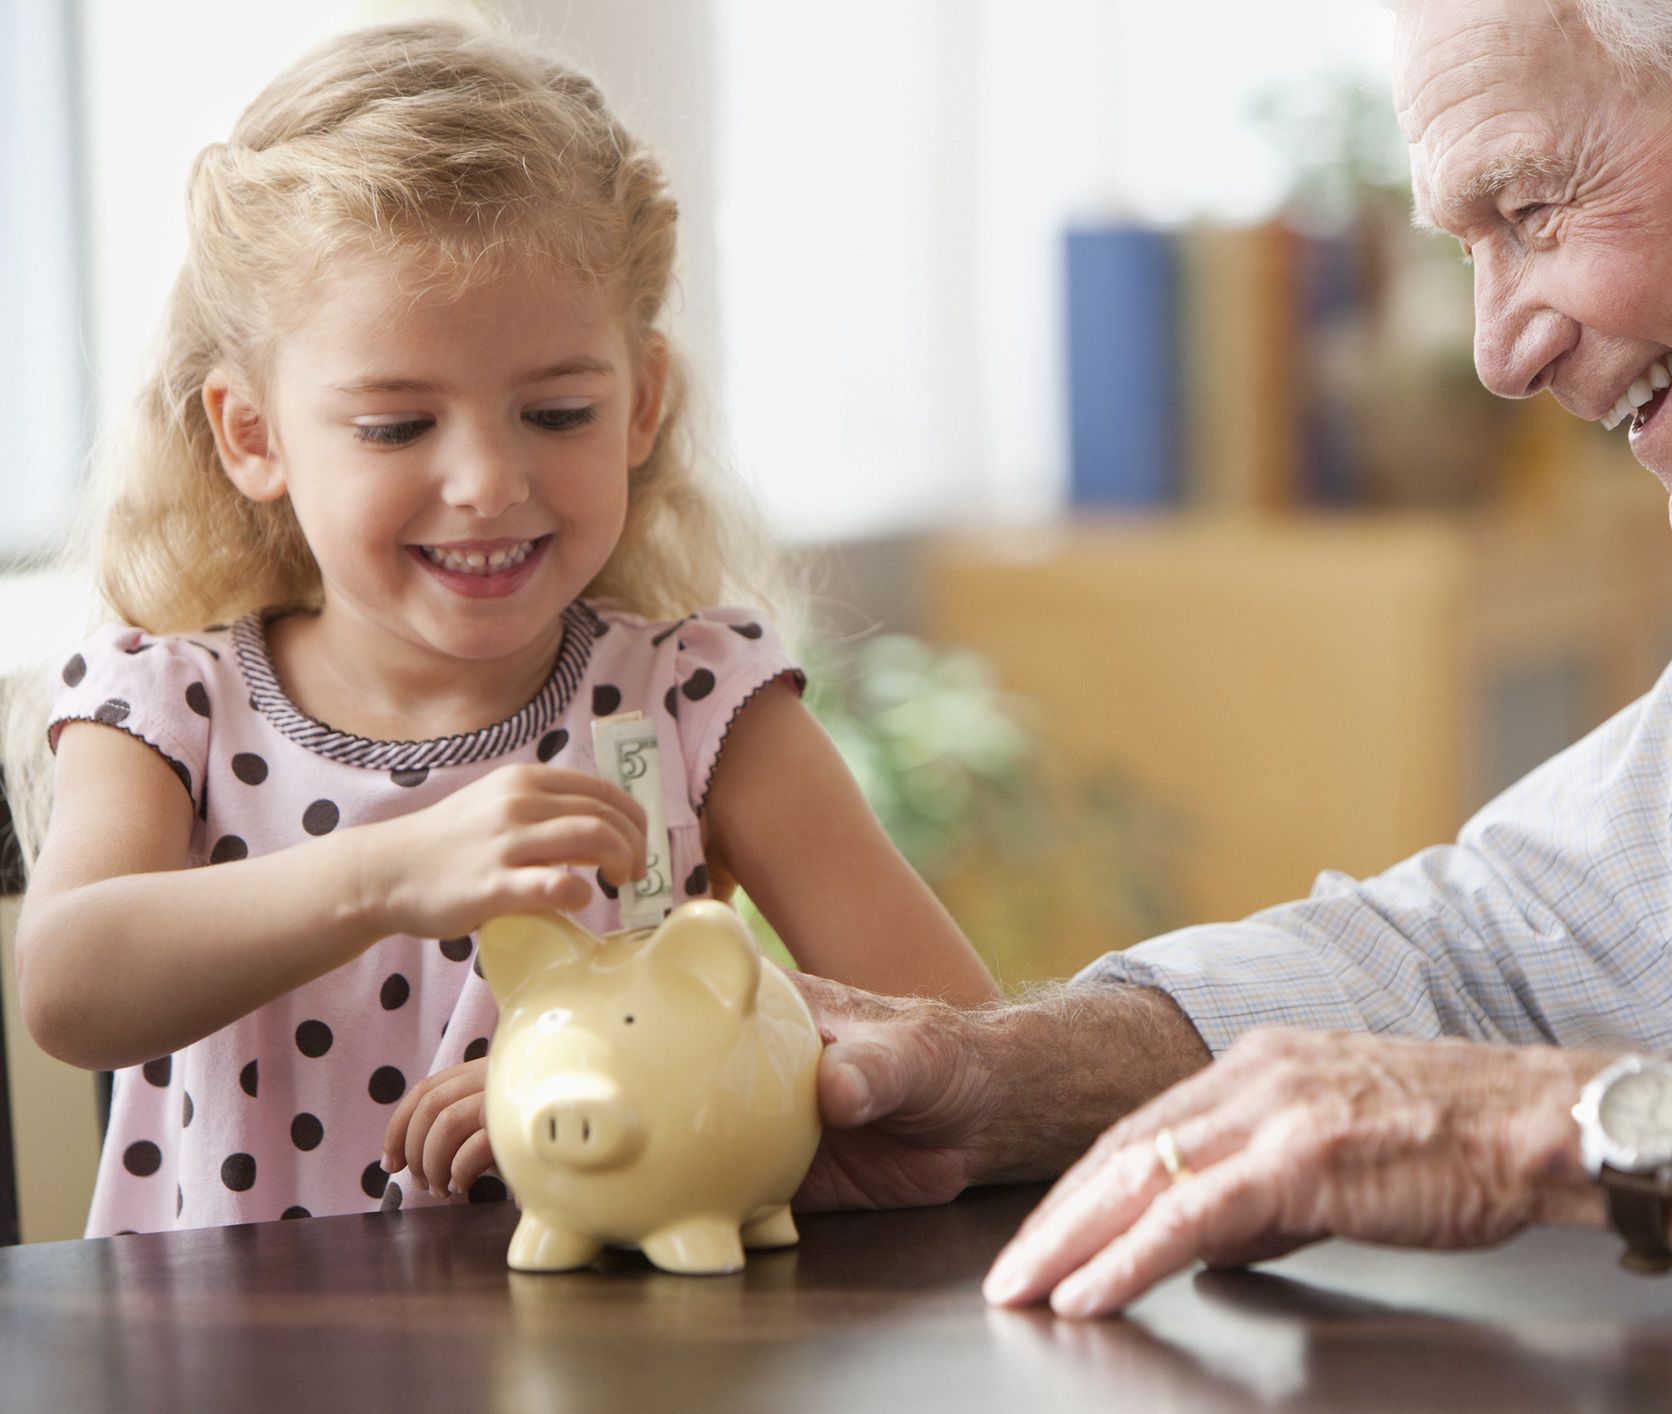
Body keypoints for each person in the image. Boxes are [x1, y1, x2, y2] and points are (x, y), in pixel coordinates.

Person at [783, 0, 1672, 1335]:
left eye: (1534, 210)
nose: (1499, 352)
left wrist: (1545, 1133)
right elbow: (1495, 954)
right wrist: (1006, 1074)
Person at [8, 19, 996, 1238]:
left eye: (557, 410)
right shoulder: (167, 701)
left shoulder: (696, 701)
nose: (485, 478)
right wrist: (385, 872)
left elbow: (962, 1058)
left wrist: (646, 1073)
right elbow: (70, 987)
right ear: (252, 436)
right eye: (395, 426)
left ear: (644, 405)